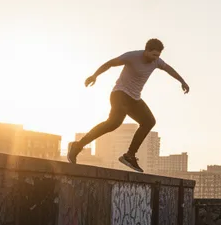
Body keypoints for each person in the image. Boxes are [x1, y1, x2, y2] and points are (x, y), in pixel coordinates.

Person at [67, 39, 189, 172]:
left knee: (149, 122)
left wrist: (182, 81)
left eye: (158, 56)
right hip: (120, 94)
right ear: (146, 51)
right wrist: (94, 75)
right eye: (153, 55)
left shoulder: (157, 62)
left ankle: (129, 155)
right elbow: (110, 63)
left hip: (134, 99)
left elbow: (169, 69)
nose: (155, 59)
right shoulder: (132, 56)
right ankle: (78, 146)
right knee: (114, 123)